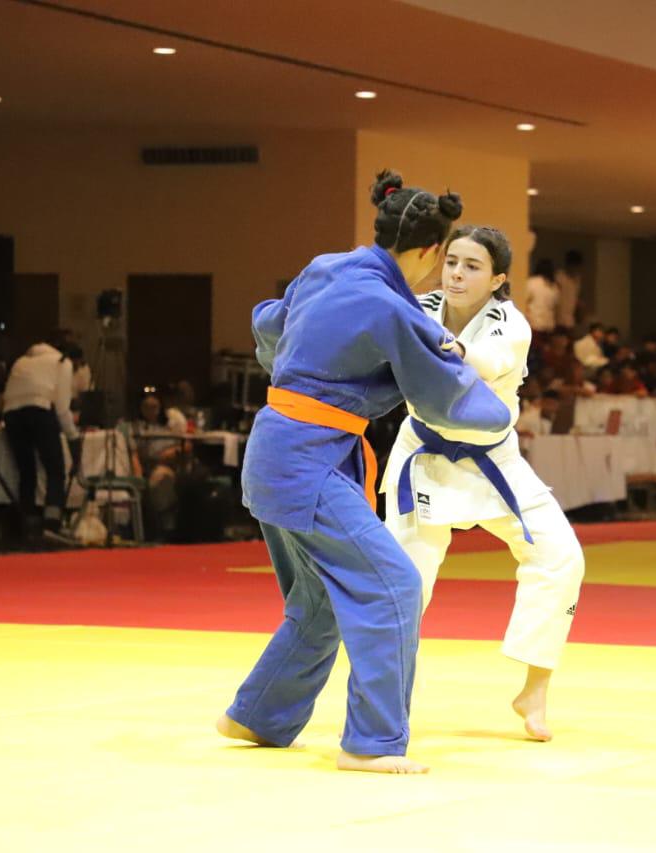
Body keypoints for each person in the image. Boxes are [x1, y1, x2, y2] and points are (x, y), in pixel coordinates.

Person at [217, 171, 511, 775]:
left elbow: (269, 322)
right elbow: (442, 394)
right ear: (430, 250)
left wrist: (307, 366)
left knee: (323, 593)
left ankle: (259, 714)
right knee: (393, 586)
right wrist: (498, 411)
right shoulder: (388, 305)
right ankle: (372, 741)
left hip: (277, 445)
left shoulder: (327, 268)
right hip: (307, 459)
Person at [382, 225, 584, 742]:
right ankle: (384, 705)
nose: (455, 273)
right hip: (422, 457)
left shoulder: (510, 325)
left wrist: (409, 336)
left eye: (471, 266)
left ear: (497, 280)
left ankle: (534, 689)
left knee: (560, 556)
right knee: (404, 585)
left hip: (493, 458)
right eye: (451, 261)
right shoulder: (417, 308)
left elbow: (473, 365)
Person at [2, 340, 79, 536]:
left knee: (26, 470)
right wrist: (73, 437)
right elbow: (62, 408)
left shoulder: (21, 361)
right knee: (55, 469)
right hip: (39, 410)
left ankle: (27, 524)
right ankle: (52, 524)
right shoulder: (62, 362)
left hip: (11, 414)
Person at [124, 389, 188, 537]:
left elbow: (186, 445)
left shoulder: (170, 425)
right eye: (147, 407)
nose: (151, 411)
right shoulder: (134, 427)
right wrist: (138, 475)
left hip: (168, 466)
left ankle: (169, 526)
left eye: (154, 407)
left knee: (164, 478)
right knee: (156, 479)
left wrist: (172, 453)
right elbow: (133, 453)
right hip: (146, 467)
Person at [524, 259, 558, 336]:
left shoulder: (532, 282)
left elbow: (523, 302)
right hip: (549, 326)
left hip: (534, 325)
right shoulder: (554, 287)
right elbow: (555, 306)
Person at [554, 249, 583, 332]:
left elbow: (576, 297)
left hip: (570, 320)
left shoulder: (577, 279)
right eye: (574, 266)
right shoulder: (559, 276)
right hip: (558, 320)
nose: (576, 269)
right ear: (568, 264)